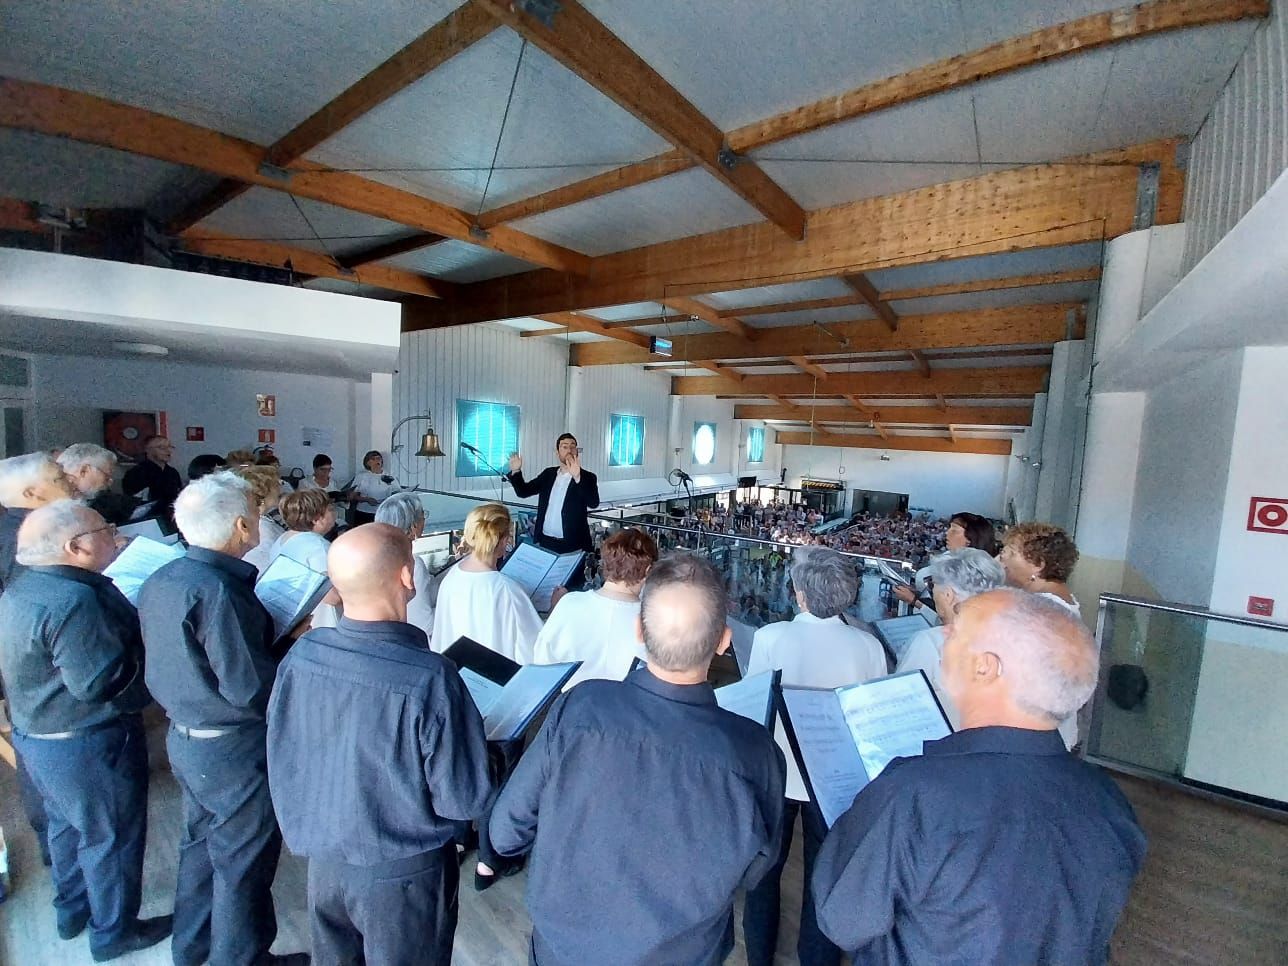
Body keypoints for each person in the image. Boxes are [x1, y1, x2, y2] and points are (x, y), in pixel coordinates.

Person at [812, 589, 1146, 964]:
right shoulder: (1110, 801)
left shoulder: (913, 796)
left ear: (985, 667)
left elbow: (843, 919)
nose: (944, 634)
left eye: (955, 631)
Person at [489, 553, 786, 966]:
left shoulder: (582, 707)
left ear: (639, 632)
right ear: (724, 641)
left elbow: (505, 832)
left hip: (562, 949)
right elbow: (756, 872)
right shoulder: (757, 752)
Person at [266, 524, 492, 966]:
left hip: (324, 862)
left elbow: (283, 751)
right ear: (408, 578)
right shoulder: (431, 677)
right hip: (402, 872)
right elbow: (462, 799)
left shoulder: (302, 655)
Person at [137, 472, 307, 966]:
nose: (257, 522)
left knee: (200, 846)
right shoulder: (218, 591)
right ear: (239, 526)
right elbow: (250, 688)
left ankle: (191, 947)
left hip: (187, 736)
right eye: (253, 516)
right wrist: (293, 649)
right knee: (242, 861)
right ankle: (242, 959)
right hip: (233, 747)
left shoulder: (166, 576)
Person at [0, 501, 171, 961]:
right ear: (75, 547)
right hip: (88, 740)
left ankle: (72, 908)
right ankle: (114, 931)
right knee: (110, 837)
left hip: (38, 734)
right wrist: (158, 668)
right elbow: (98, 684)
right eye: (104, 529)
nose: (114, 534)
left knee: (65, 827)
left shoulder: (25, 587)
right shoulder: (75, 600)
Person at [743, 547, 888, 966]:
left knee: (765, 871)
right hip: (836, 780)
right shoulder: (867, 646)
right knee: (821, 877)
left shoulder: (772, 637)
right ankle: (818, 959)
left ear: (800, 595)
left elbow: (756, 705)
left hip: (778, 772)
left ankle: (759, 956)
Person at [0, 452, 77, 865]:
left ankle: (60, 852)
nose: (67, 480)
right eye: (57, 476)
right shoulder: (21, 538)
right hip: (38, 669)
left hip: (30, 664)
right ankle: (60, 852)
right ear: (31, 493)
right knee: (49, 770)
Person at [532, 528, 658, 687]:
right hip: (624, 707)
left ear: (605, 563)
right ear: (648, 570)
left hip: (565, 703)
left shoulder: (568, 602)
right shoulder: (653, 620)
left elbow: (541, 658)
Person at [895, 547, 1006, 727]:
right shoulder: (1015, 635)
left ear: (949, 595)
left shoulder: (929, 642)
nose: (933, 593)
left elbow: (901, 705)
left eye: (934, 587)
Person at [431, 503, 542, 663]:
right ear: (504, 541)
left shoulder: (451, 576)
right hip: (495, 682)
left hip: (453, 676)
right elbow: (535, 650)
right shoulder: (506, 589)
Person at [506, 433, 600, 590]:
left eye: (572, 446)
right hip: (546, 541)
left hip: (573, 544)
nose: (569, 449)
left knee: (571, 587)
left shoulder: (588, 477)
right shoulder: (549, 474)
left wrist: (578, 477)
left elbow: (593, 503)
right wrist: (516, 472)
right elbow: (523, 491)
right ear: (557, 452)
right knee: (545, 586)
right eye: (564, 446)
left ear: (577, 451)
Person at [893, 511, 997, 619]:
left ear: (970, 540)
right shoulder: (950, 558)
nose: (947, 533)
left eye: (954, 530)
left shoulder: (974, 575)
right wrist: (917, 592)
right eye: (949, 528)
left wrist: (913, 600)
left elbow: (952, 620)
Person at [270, 488, 341, 629]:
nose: (335, 514)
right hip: (320, 622)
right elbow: (332, 596)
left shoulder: (282, 539)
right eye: (331, 510)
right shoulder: (318, 547)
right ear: (317, 519)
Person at [374, 492, 435, 637]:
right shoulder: (412, 564)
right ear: (413, 526)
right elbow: (424, 624)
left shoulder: (375, 559)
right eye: (422, 515)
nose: (424, 520)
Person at [232, 464, 284, 575]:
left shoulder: (262, 518)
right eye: (277, 483)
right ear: (264, 491)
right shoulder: (262, 527)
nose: (280, 487)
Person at [121, 435, 183, 517]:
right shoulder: (136, 473)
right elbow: (133, 502)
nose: (168, 451)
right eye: (162, 448)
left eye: (170, 447)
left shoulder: (173, 472)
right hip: (147, 518)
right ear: (147, 450)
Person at [349, 450, 399, 525]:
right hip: (364, 513)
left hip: (383, 513)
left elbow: (397, 492)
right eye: (373, 459)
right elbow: (352, 496)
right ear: (368, 463)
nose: (377, 461)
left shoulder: (389, 476)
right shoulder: (362, 476)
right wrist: (367, 499)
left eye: (378, 458)